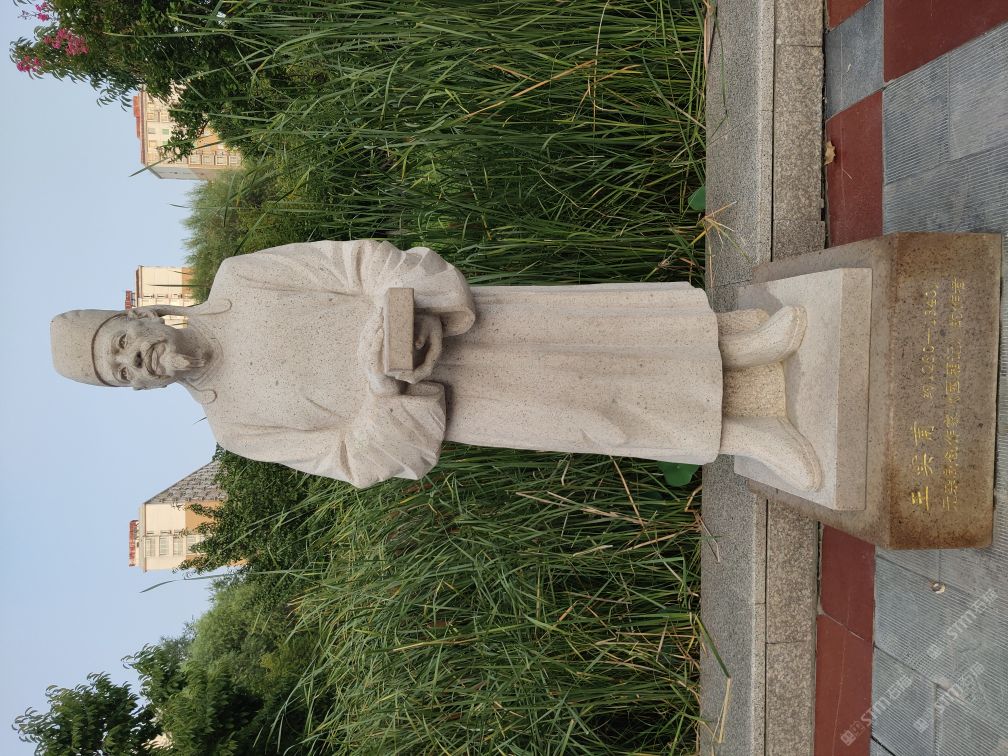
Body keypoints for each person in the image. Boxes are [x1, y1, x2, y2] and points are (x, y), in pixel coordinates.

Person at [51, 240, 820, 490]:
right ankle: (743, 433)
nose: (134, 360)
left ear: (135, 314)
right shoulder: (239, 427)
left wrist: (400, 311)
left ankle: (739, 346)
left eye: (119, 342)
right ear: (135, 390)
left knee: (600, 336)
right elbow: (354, 461)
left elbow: (359, 261)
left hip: (459, 326)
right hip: (462, 400)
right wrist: (388, 386)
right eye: (120, 373)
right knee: (599, 411)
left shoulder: (243, 280)